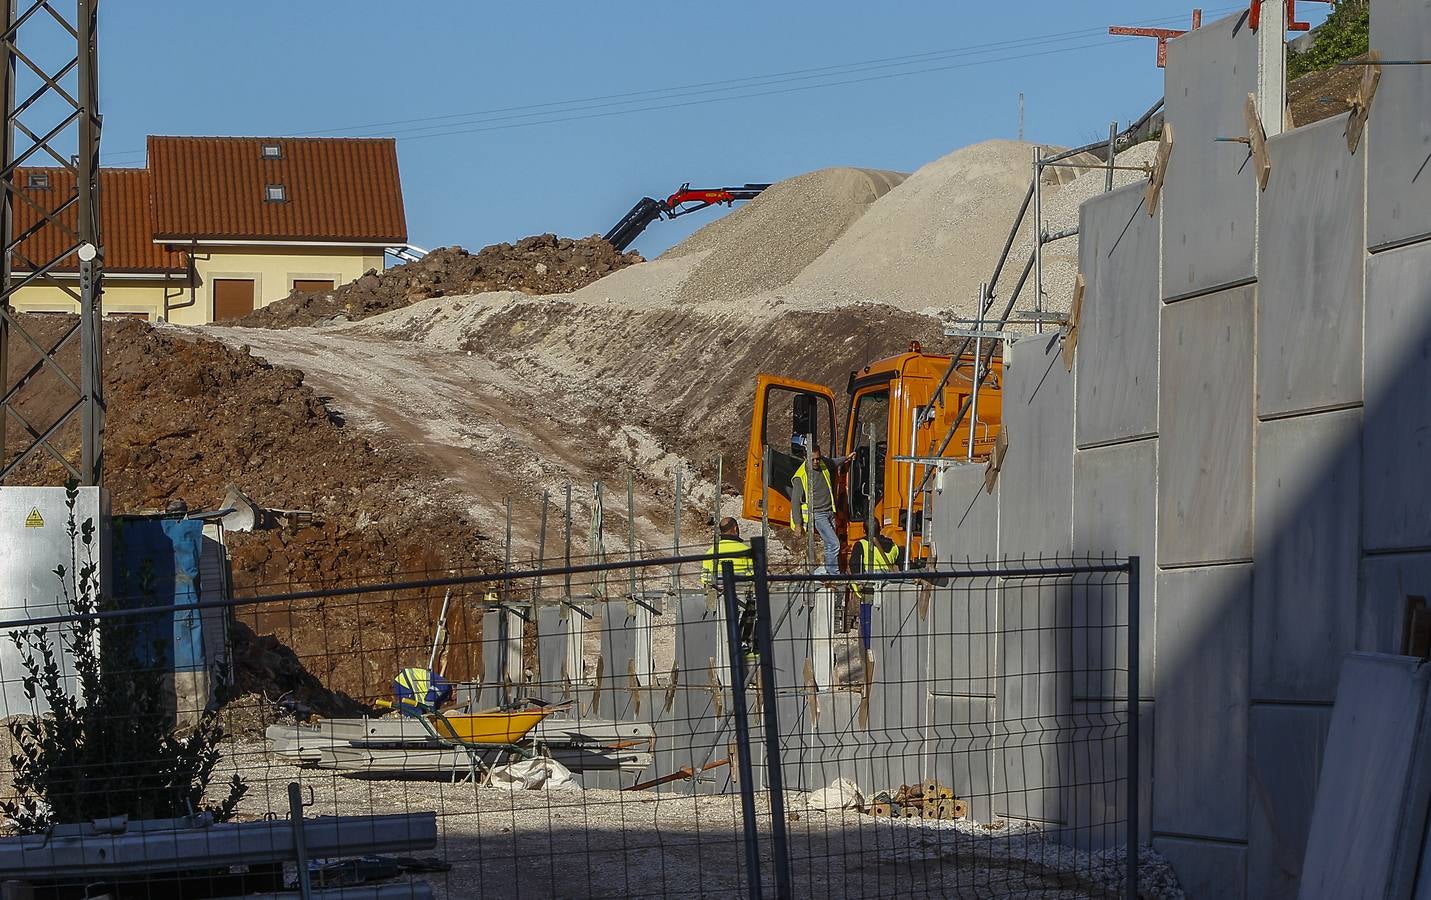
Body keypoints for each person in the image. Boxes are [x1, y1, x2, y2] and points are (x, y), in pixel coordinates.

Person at [701, 517, 757, 661]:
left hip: (718, 598)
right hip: (742, 598)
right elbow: (754, 577)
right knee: (752, 609)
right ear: (736, 529)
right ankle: (745, 645)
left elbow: (705, 579)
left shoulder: (711, 552)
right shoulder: (746, 551)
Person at [790, 442, 842, 574]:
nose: (816, 462)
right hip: (818, 514)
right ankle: (833, 574)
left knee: (830, 545)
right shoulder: (801, 476)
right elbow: (795, 501)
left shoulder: (823, 463)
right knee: (834, 543)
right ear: (805, 457)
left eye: (818, 458)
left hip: (830, 511)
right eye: (812, 459)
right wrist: (798, 524)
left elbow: (834, 462)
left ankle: (830, 571)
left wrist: (847, 457)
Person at [849, 522, 903, 648]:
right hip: (889, 590)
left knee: (868, 625)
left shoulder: (861, 545)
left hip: (869, 590)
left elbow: (854, 567)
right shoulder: (894, 546)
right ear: (880, 530)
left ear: (864, 530)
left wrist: (856, 588)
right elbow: (901, 566)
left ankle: (869, 652)